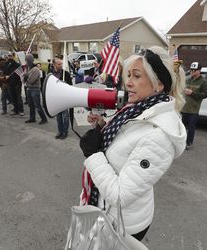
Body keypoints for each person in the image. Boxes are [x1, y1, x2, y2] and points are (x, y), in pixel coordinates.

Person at [79, 46, 187, 241]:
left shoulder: (159, 135)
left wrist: (93, 155)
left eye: (136, 76)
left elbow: (120, 196)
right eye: (128, 75)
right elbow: (126, 142)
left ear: (159, 84)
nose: (128, 83)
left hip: (122, 225)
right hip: (108, 213)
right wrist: (102, 126)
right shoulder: (137, 111)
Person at [181, 62, 207, 150]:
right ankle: (181, 143)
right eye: (191, 70)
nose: (192, 72)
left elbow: (204, 95)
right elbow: (182, 90)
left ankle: (189, 143)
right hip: (184, 108)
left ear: (199, 71)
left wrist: (192, 93)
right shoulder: (187, 79)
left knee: (191, 128)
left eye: (194, 70)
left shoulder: (204, 82)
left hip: (193, 110)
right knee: (181, 127)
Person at [23, 54, 48, 124]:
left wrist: (25, 77)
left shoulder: (36, 69)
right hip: (28, 89)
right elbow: (23, 79)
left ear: (31, 60)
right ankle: (32, 118)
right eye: (26, 60)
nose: (26, 62)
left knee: (37, 105)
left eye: (28, 60)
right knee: (31, 105)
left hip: (35, 89)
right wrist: (25, 77)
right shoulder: (28, 69)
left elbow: (31, 80)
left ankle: (44, 118)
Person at [52, 57, 72, 139]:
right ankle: (59, 131)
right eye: (59, 64)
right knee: (58, 117)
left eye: (61, 64)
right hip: (55, 98)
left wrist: (65, 84)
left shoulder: (65, 74)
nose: (61, 65)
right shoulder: (51, 74)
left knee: (65, 116)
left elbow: (71, 86)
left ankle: (65, 132)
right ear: (54, 64)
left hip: (64, 98)